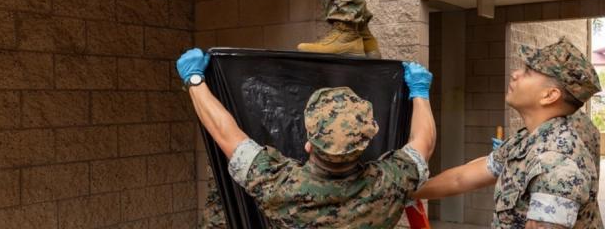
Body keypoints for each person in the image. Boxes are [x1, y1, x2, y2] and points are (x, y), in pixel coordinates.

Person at [176, 48, 436, 228]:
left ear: (309, 143)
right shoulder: (391, 182)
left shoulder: (279, 186)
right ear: (367, 143)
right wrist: (420, 92)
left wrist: (195, 81)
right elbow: (424, 142)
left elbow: (225, 133)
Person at [413, 38, 604, 228]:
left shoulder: (556, 163)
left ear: (549, 95)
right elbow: (460, 179)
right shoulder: (526, 140)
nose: (514, 74)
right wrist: (404, 190)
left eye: (528, 72)